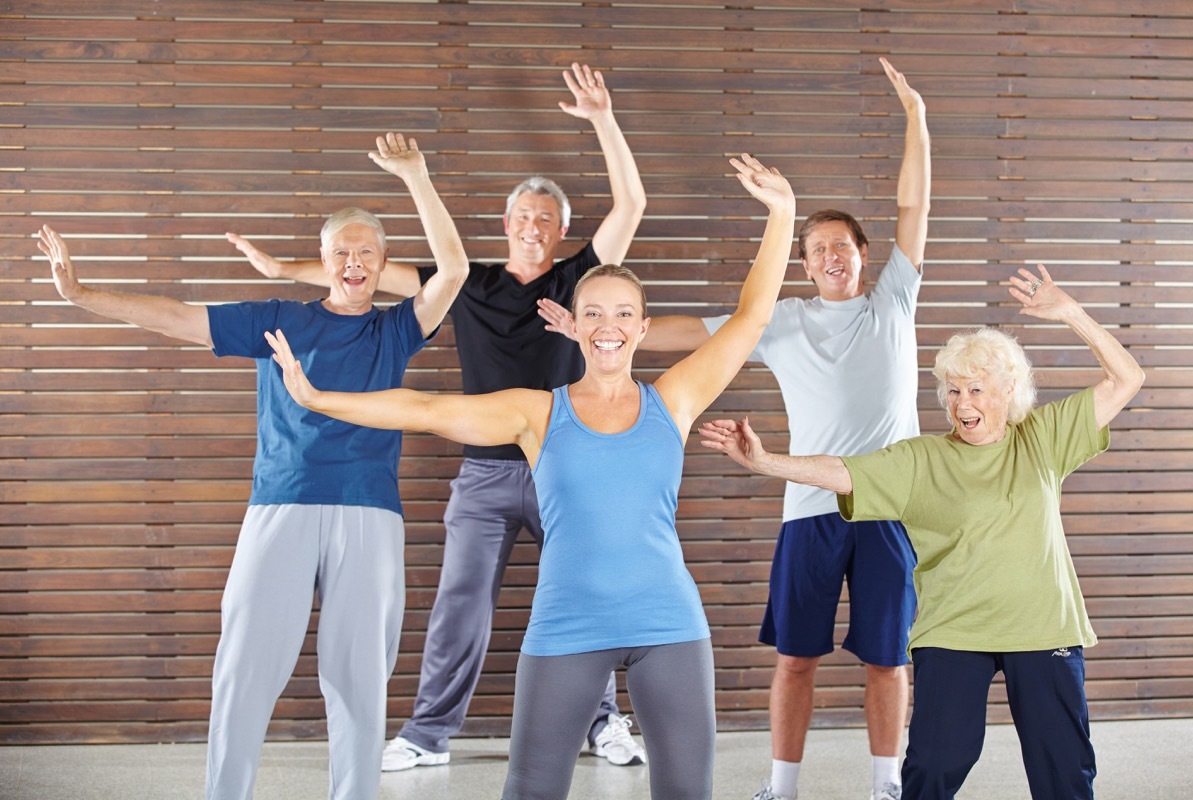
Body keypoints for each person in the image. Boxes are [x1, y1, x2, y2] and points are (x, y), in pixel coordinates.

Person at [263, 154, 795, 800]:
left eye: (624, 314)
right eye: (594, 313)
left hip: (670, 625)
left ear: (642, 328)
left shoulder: (674, 400)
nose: (608, 327)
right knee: (531, 790)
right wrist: (321, 399)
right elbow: (427, 410)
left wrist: (783, 214)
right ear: (574, 322)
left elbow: (751, 320)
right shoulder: (539, 413)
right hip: (567, 626)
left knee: (687, 792)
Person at [233, 62, 649, 770]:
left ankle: (603, 721)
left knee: (589, 593)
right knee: (461, 606)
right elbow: (361, 274)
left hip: (565, 463)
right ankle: (427, 733)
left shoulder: (579, 278)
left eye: (545, 219)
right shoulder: (467, 283)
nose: (532, 227)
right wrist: (281, 272)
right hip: (485, 473)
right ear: (506, 224)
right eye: (521, 217)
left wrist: (604, 119)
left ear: (561, 231)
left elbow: (632, 205)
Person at [538, 56, 927, 800]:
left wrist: (915, 117)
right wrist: (604, 331)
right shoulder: (781, 322)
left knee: (888, 659)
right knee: (797, 659)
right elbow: (686, 332)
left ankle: (887, 786)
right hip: (809, 509)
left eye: (842, 247)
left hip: (889, 507)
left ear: (865, 257)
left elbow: (914, 206)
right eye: (815, 250)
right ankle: (782, 788)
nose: (830, 258)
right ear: (805, 263)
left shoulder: (894, 303)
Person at [35, 132, 468, 800]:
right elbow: (180, 318)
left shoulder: (395, 329)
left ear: (381, 264)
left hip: (369, 513)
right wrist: (82, 294)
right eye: (341, 251)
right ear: (322, 261)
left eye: (366, 252)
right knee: (242, 669)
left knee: (359, 679)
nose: (353, 262)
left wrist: (415, 176)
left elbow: (456, 271)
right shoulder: (279, 320)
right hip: (281, 506)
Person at [699, 265, 1145, 800]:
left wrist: (1072, 313)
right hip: (954, 633)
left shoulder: (1043, 439)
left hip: (1044, 629)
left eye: (976, 389)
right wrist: (767, 461)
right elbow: (843, 470)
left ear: (1009, 390)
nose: (962, 404)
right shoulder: (922, 459)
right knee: (933, 767)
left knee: (1064, 771)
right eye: (953, 390)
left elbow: (1127, 378)